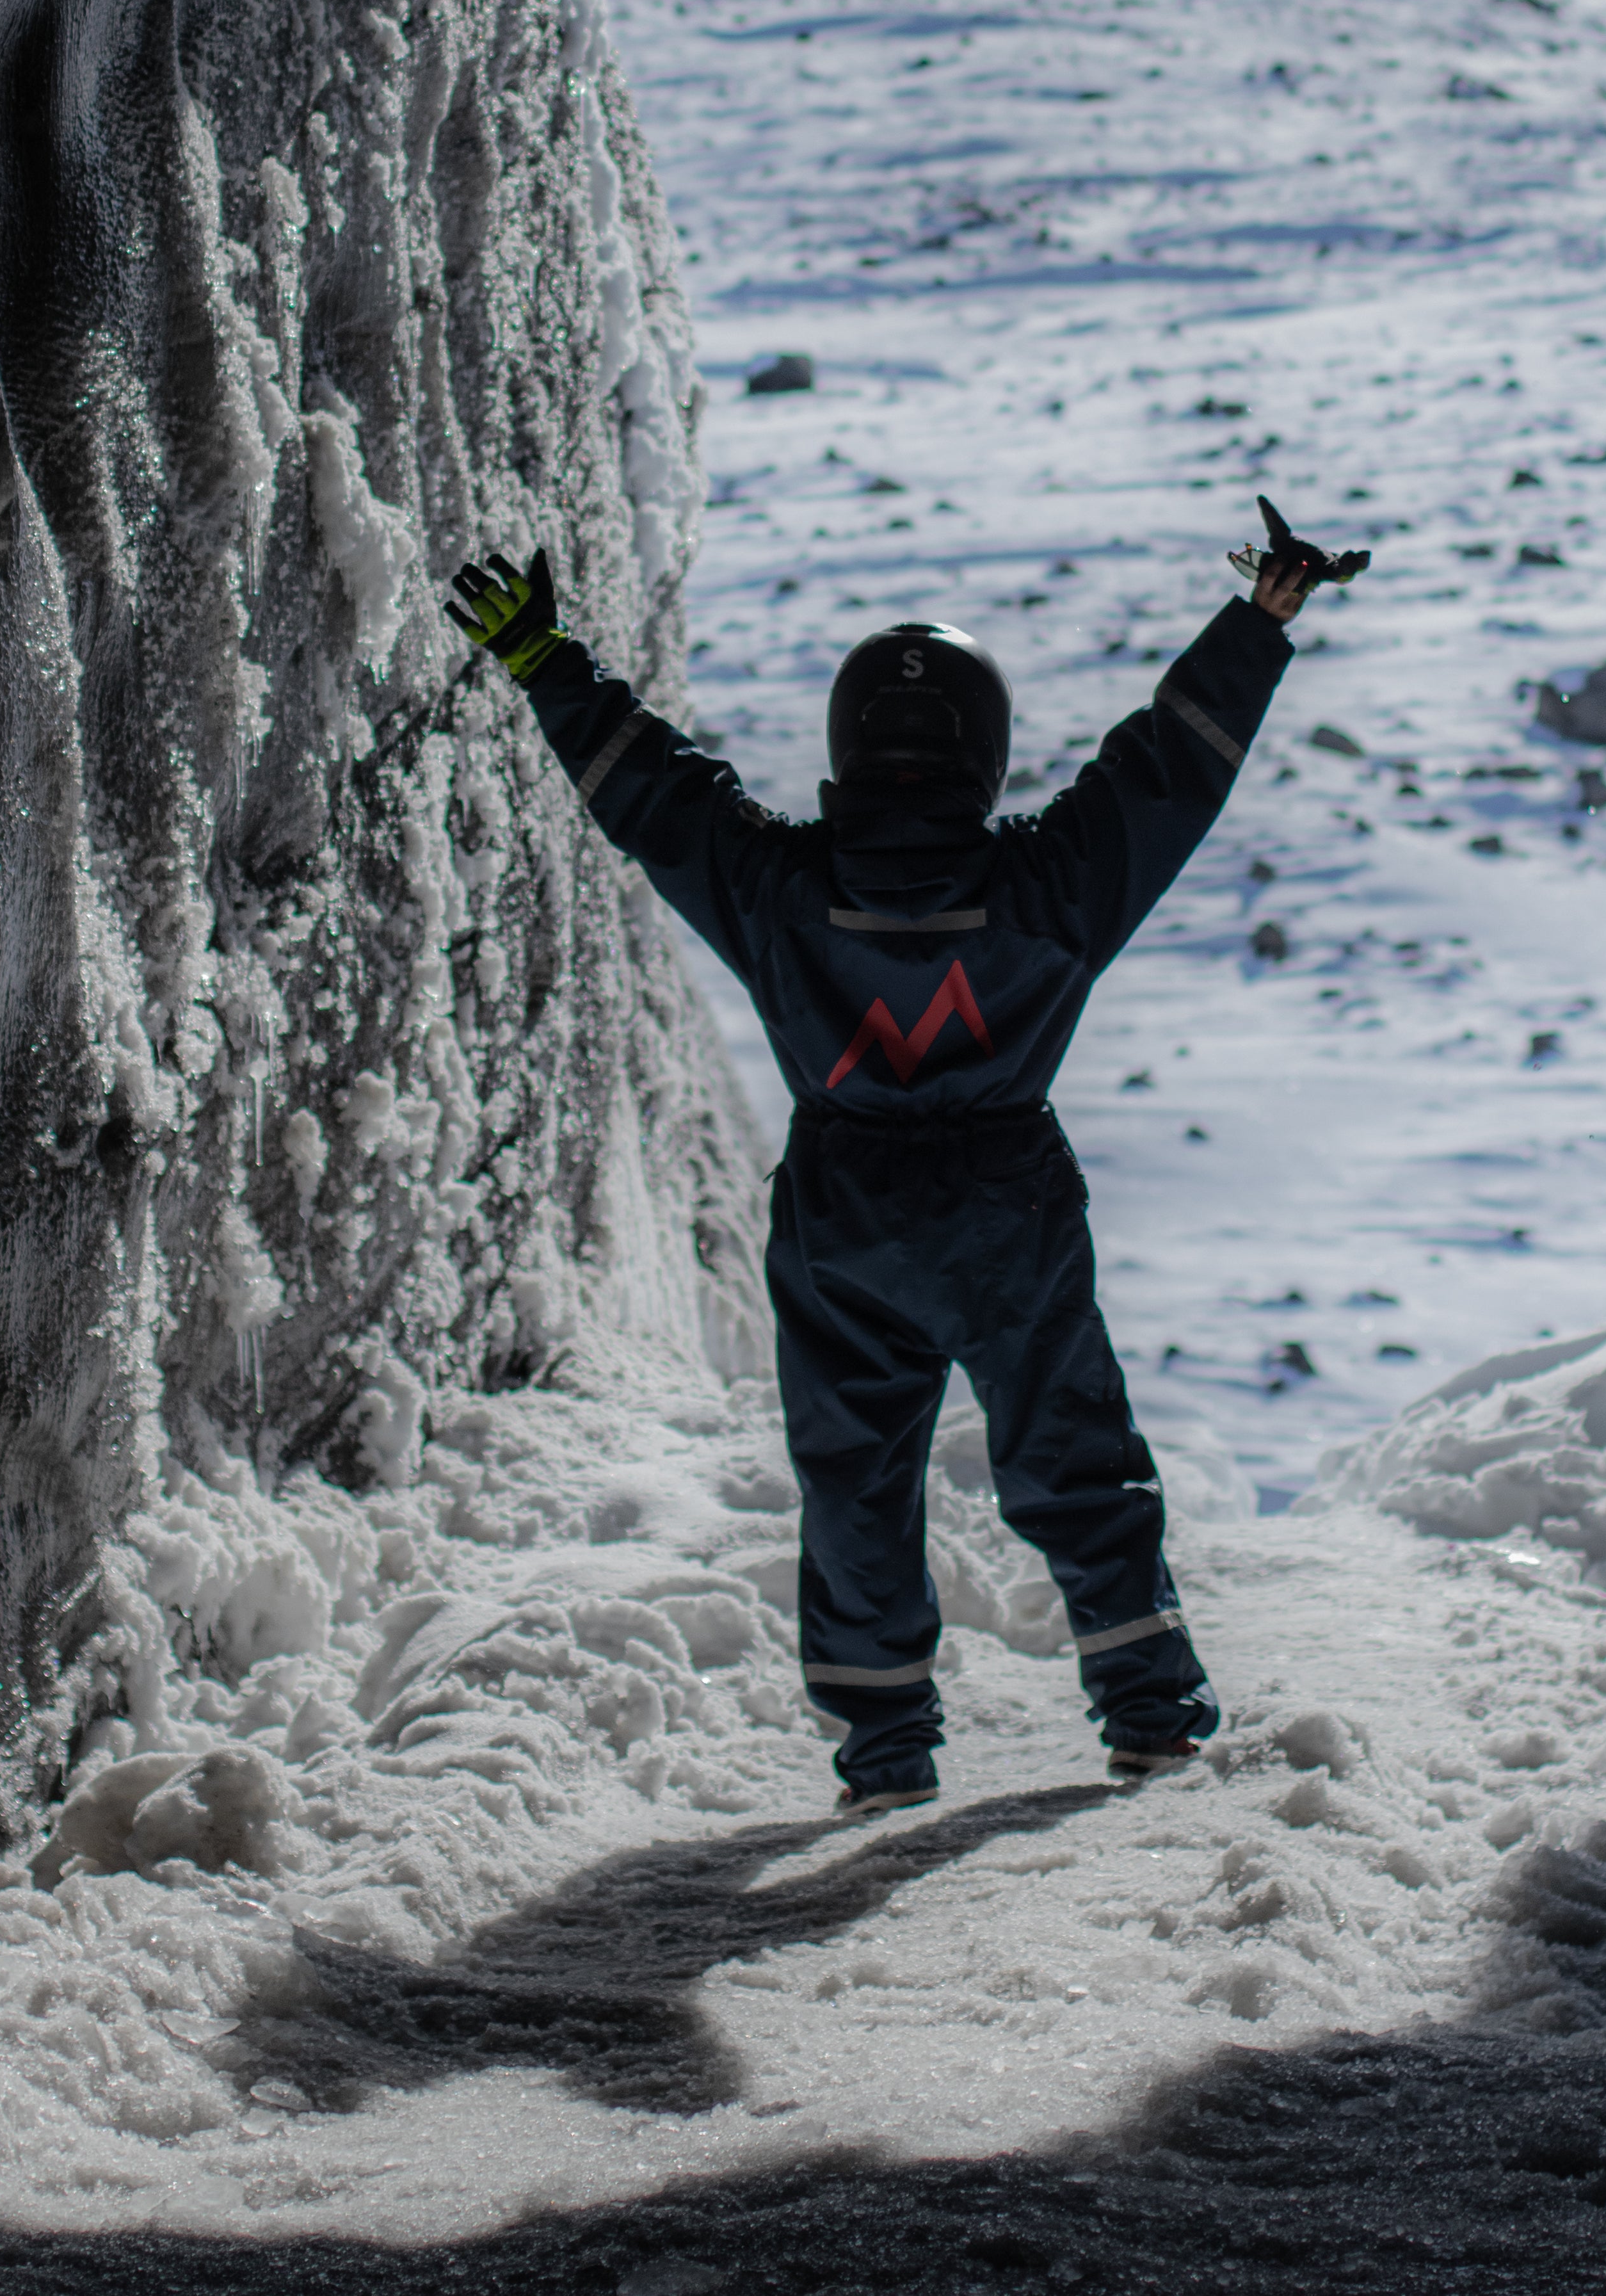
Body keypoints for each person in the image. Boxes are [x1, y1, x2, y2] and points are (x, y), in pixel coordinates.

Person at [444, 524, 1335, 1811]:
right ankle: (1147, 1716)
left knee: (855, 1483)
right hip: (1008, 1207)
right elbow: (1164, 777)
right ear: (981, 748)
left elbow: (651, 794)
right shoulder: (1048, 884)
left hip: (839, 1214)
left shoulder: (775, 887)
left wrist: (540, 655)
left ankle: (883, 1759)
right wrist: (1256, 624)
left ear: (844, 743)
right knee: (1072, 1458)